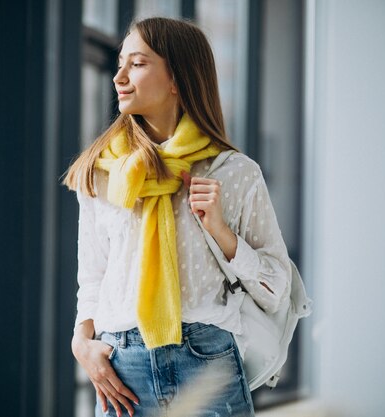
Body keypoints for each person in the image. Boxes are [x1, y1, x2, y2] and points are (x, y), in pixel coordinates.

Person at [63, 17, 291, 417]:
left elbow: (277, 287)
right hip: (121, 371)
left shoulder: (234, 173)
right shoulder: (102, 172)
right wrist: (81, 344)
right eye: (120, 63)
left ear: (177, 79)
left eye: (137, 63)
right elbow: (93, 278)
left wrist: (221, 232)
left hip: (207, 364)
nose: (119, 76)